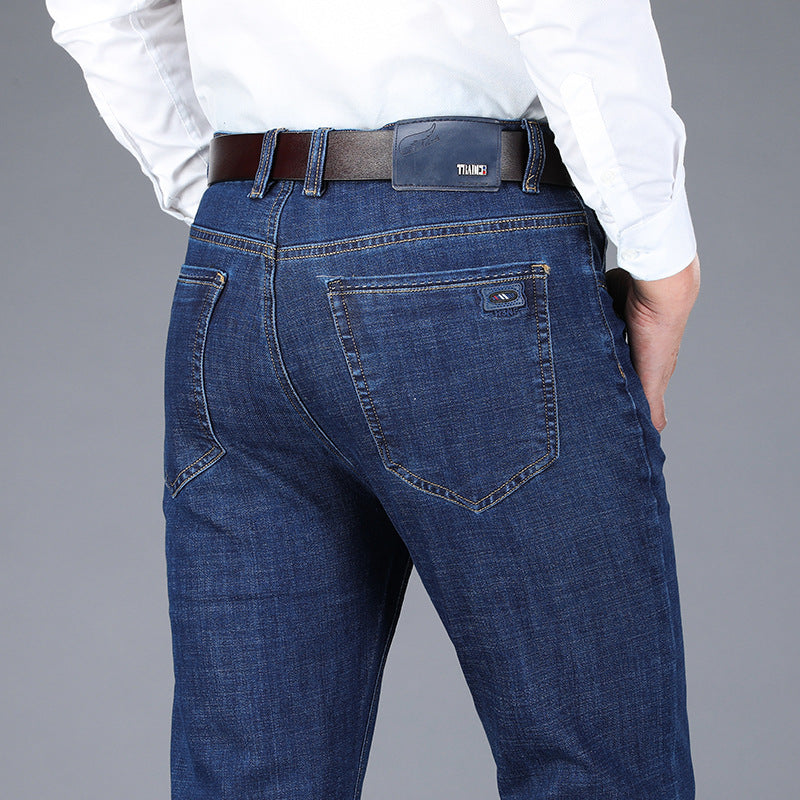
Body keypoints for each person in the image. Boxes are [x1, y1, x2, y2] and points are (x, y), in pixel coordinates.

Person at [45, 1, 701, 797]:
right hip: (469, 238)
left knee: (249, 782)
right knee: (597, 769)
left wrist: (228, 187)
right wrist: (656, 242)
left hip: (237, 256)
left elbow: (102, 9)